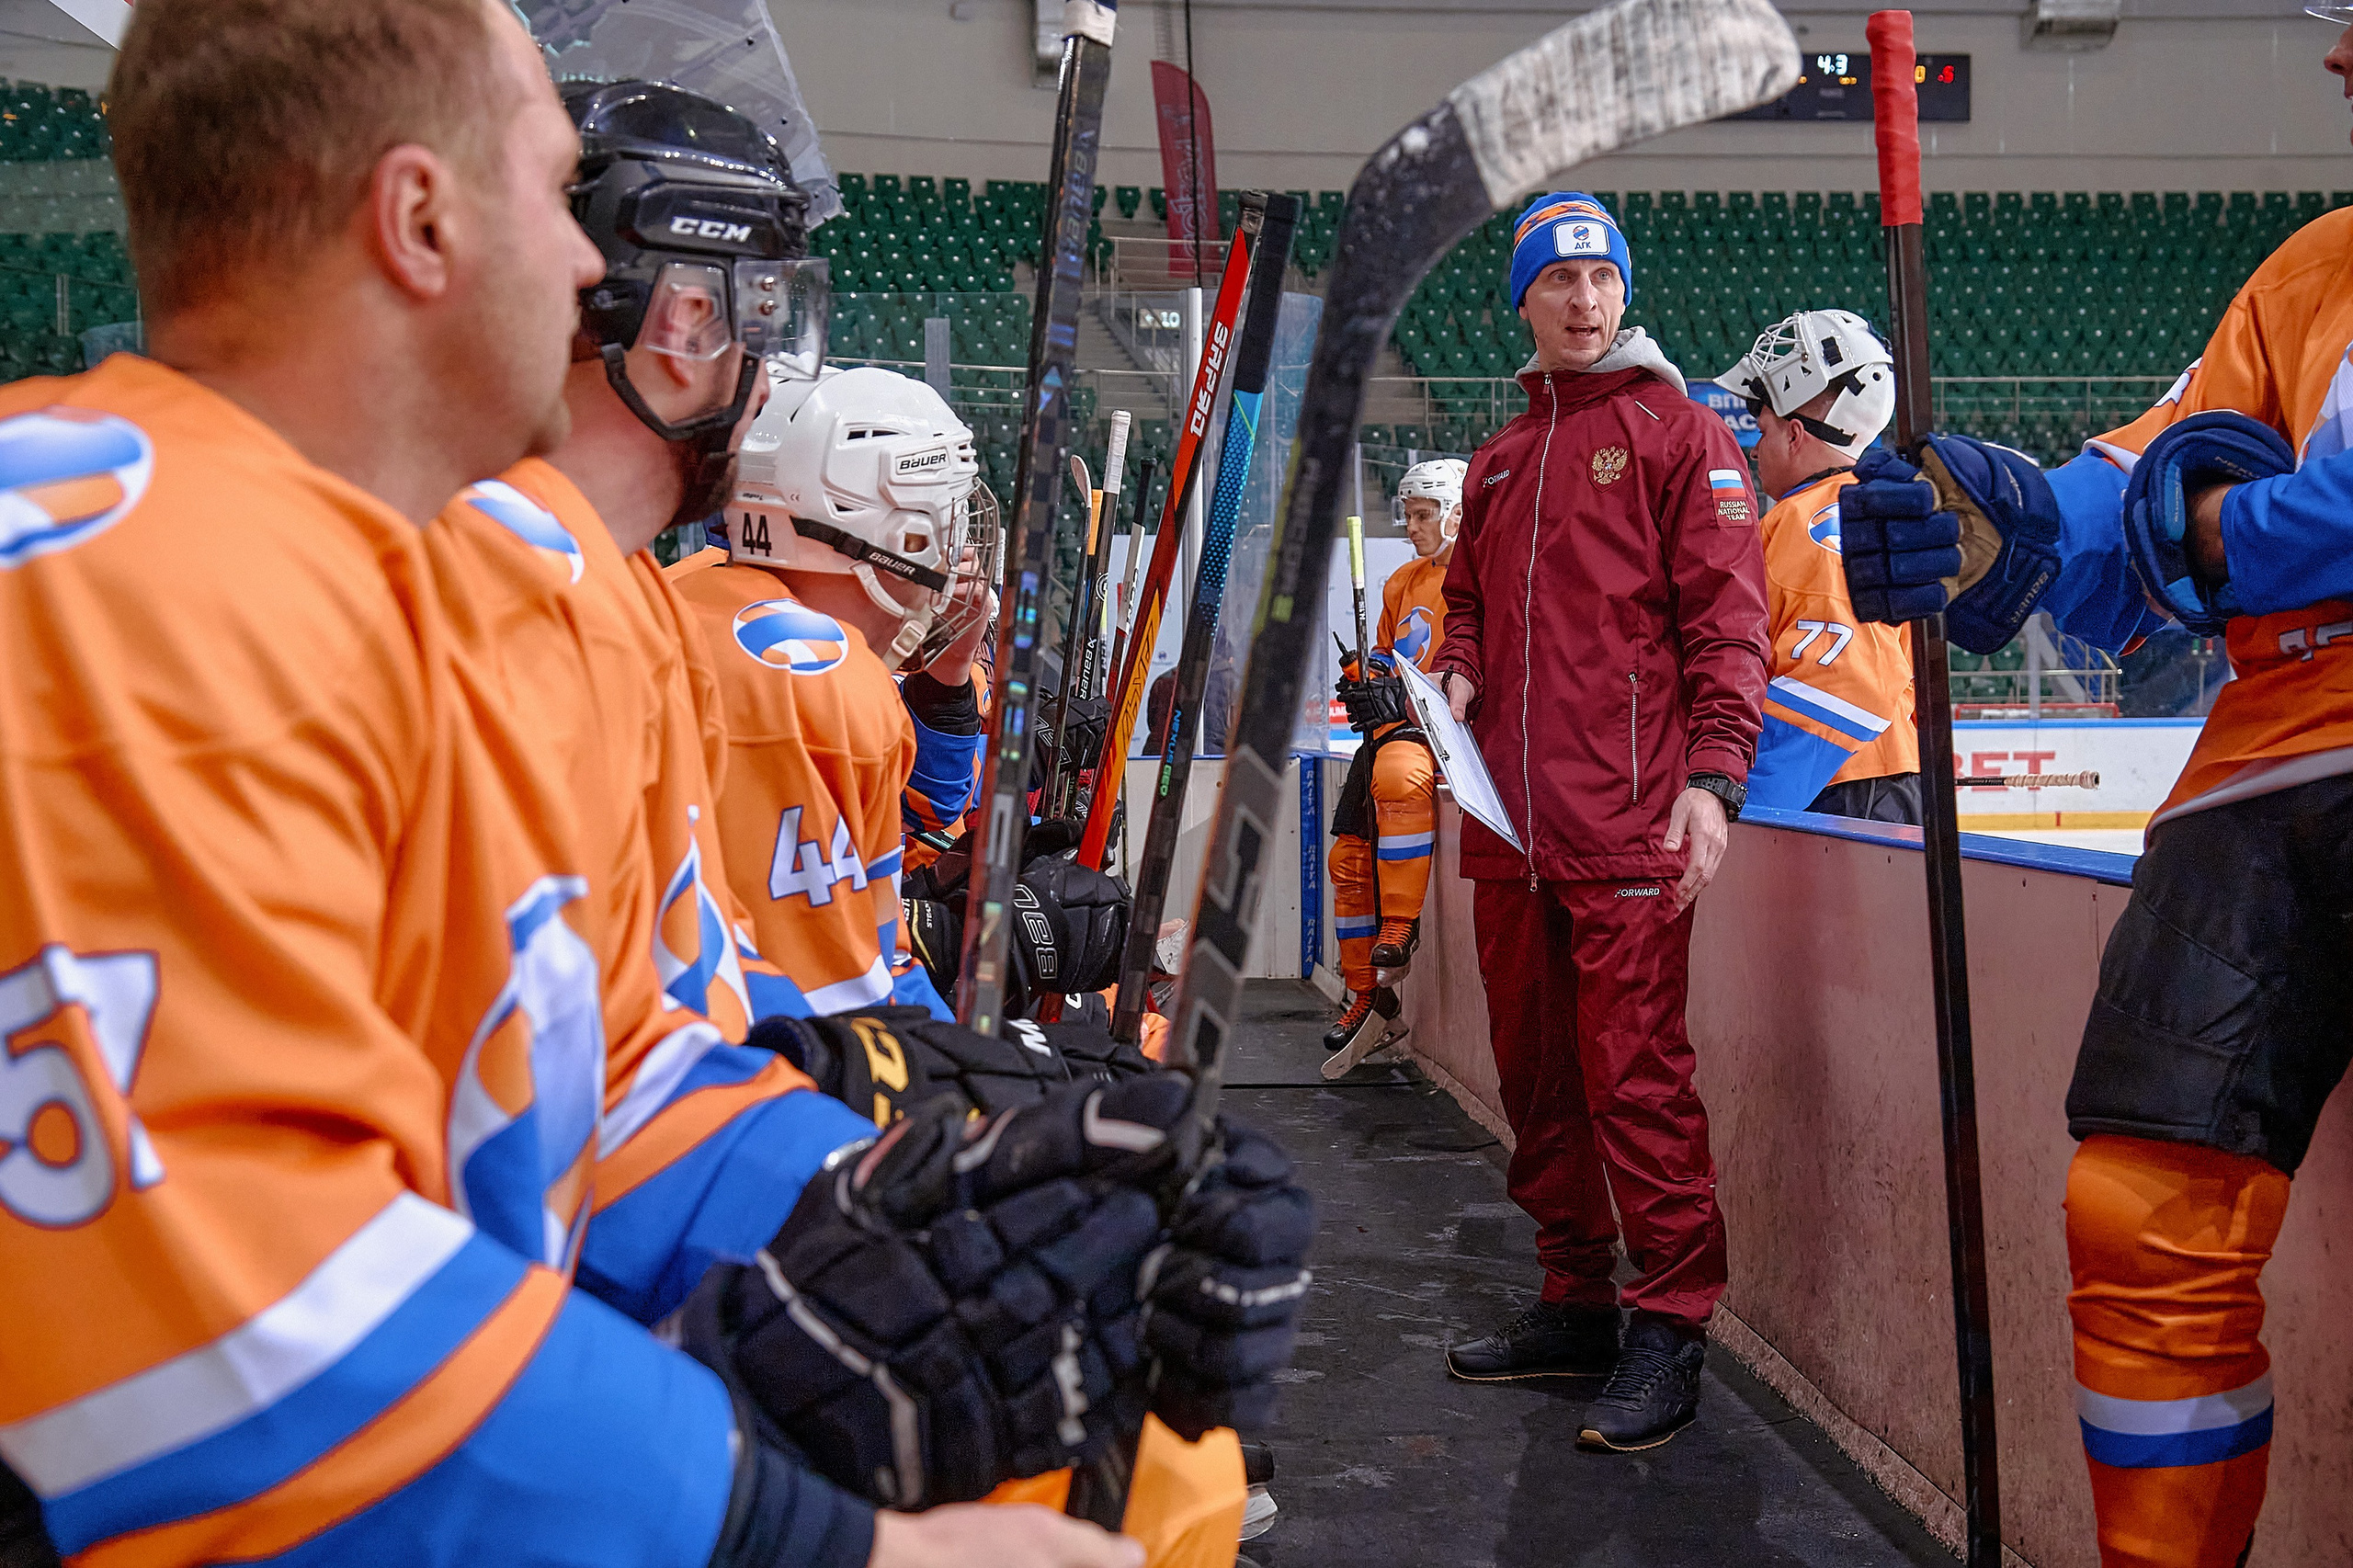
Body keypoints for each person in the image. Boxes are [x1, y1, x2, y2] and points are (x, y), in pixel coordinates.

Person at [0, 8, 1299, 1565]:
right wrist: (831, 1545)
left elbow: (593, 1073)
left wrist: (893, 1195)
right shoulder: (105, 572)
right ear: (420, 220)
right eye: (555, 198)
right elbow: (207, 1331)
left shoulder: (432, 580)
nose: (578, 276)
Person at [1834, 15, 2353, 1562]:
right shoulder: (2312, 269)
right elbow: (2136, 496)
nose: (2336, 65)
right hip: (2269, 768)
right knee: (2137, 1210)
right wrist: (1992, 521)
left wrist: (2223, 538)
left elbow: (2252, 522)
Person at [1427, 191, 1768, 1454]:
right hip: (1510, 826)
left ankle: (1669, 1323)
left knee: (1639, 1081)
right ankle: (1574, 1296)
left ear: (1625, 292)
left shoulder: (1684, 437)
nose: (1583, 300)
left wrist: (1713, 778)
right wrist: (1455, 665)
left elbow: (1732, 624)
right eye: (1558, 281)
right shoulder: (1504, 457)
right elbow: (1466, 604)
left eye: (1601, 279)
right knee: (1539, 1078)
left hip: (1629, 823)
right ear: (1522, 299)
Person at [1718, 309, 1920, 824]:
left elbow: (1848, 680)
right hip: (1881, 778)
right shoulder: (1877, 503)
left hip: (1838, 790)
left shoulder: (1808, 519)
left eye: (1761, 429)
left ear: (1794, 434)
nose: (1755, 447)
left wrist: (1744, 798)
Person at [1321, 457, 1463, 1074]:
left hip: (1442, 735)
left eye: (1423, 514)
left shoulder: (1484, 583)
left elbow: (1475, 672)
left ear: (1459, 515)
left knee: (1400, 775)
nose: (1411, 525)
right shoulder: (1403, 582)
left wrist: (1405, 690)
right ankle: (1369, 995)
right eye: (1407, 514)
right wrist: (1365, 677)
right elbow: (1386, 655)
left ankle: (1399, 929)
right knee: (1346, 857)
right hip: (1396, 726)